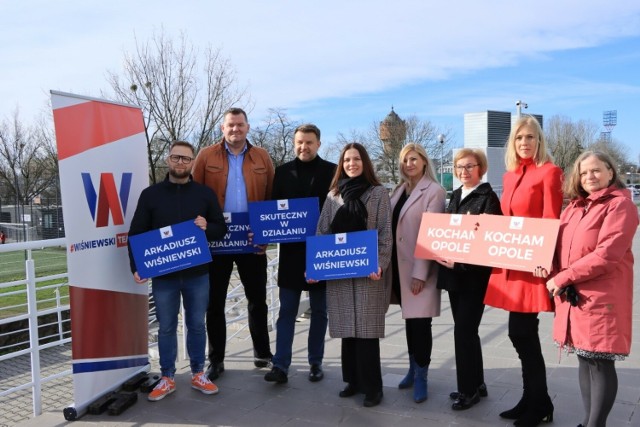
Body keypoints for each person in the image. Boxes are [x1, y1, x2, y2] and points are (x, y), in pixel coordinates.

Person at [536, 151, 637, 427]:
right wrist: (550, 267)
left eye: (596, 170)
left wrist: (563, 277)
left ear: (610, 172)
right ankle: (587, 421)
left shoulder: (620, 206)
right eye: (583, 173)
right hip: (575, 296)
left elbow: (607, 254)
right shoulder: (574, 207)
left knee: (600, 361)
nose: (589, 176)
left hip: (602, 296)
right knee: (584, 357)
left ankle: (596, 424)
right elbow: (559, 247)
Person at [127, 141, 227, 401]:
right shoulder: (151, 195)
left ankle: (197, 373)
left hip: (198, 273)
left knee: (196, 324)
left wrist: (208, 226)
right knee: (167, 327)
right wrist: (136, 265)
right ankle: (167, 377)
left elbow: (220, 229)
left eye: (185, 159)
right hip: (164, 276)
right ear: (168, 160)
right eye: (175, 157)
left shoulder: (204, 194)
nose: (180, 163)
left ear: (193, 162)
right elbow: (137, 232)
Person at [483, 115, 563, 426]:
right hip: (511, 262)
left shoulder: (550, 172)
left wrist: (543, 260)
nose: (524, 143)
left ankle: (539, 402)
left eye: (529, 137)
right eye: (519, 138)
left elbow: (550, 219)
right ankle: (533, 399)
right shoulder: (512, 175)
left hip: (532, 265)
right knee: (520, 335)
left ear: (539, 140)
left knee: (521, 333)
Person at [192, 108, 275, 380]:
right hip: (217, 239)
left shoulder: (262, 156)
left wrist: (266, 233)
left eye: (240, 125)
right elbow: (195, 194)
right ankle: (216, 360)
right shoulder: (206, 156)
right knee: (213, 303)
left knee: (257, 300)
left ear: (248, 127)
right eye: (230, 125)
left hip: (251, 238)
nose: (235, 130)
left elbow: (271, 196)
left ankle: (262, 353)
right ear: (222, 127)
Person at [312, 142, 392, 408]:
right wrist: (315, 266)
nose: (351, 164)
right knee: (347, 328)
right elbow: (322, 232)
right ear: (341, 164)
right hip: (341, 271)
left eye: (356, 159)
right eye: (347, 160)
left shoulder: (378, 193)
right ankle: (352, 381)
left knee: (367, 331)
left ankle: (373, 387)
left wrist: (380, 263)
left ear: (364, 162)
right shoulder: (333, 195)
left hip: (369, 272)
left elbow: (384, 232)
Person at [262, 124, 336, 385]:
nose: (303, 147)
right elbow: (272, 212)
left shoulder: (332, 171)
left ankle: (315, 363)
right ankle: (280, 365)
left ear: (318, 143)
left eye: (309, 142)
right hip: (292, 254)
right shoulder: (281, 172)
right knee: (287, 312)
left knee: (319, 311)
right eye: (299, 142)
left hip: (321, 252)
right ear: (294, 144)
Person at [435, 148, 502, 410]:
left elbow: (489, 243)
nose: (464, 171)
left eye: (470, 166)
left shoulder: (488, 198)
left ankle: (468, 390)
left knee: (463, 332)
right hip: (454, 277)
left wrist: (460, 263)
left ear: (480, 168)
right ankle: (478, 383)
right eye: (459, 167)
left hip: (473, 277)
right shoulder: (455, 195)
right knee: (468, 332)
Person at [386, 143, 445, 403]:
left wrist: (420, 273)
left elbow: (432, 235)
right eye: (404, 160)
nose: (408, 164)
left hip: (419, 269)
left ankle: (422, 375)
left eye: (413, 159)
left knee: (421, 324)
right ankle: (412, 368)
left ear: (423, 160)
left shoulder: (434, 191)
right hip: (399, 268)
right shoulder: (398, 191)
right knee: (410, 321)